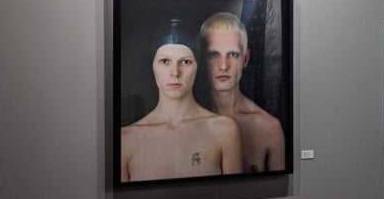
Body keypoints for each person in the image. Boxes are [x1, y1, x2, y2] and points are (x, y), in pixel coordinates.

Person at [121, 18, 242, 182]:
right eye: (165, 61)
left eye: (185, 62)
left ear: (197, 66)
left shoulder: (224, 130)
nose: (174, 72)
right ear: (153, 66)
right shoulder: (127, 140)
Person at [200, 11, 287, 172]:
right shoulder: (188, 122)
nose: (224, 66)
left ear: (245, 59)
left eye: (232, 54)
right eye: (214, 54)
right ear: (202, 59)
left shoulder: (269, 128)